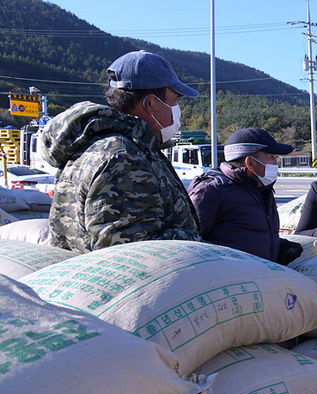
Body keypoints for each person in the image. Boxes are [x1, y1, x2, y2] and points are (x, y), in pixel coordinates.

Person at [42, 50, 200, 252]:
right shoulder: (123, 158)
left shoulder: (103, 147)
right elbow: (129, 251)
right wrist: (195, 242)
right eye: (175, 100)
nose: (177, 109)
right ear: (151, 103)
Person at [187, 128, 303, 265]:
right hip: (230, 282)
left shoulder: (262, 189)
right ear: (250, 163)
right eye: (271, 156)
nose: (275, 162)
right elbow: (189, 245)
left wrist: (278, 247)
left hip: (259, 279)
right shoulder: (211, 191)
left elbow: (247, 234)